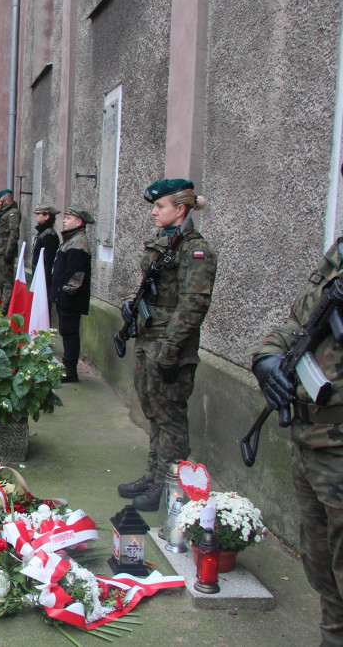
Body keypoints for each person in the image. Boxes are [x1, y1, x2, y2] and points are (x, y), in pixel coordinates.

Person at [252, 209, 343, 646]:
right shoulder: (337, 255)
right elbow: (297, 323)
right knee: (320, 564)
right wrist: (267, 358)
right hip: (310, 441)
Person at [117, 179, 217, 511]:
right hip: (149, 339)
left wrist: (171, 350)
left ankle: (168, 483)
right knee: (154, 413)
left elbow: (193, 305)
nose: (153, 212)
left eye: (160, 206)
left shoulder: (195, 250)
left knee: (171, 415)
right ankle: (152, 473)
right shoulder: (166, 243)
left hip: (170, 347)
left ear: (181, 209)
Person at [49, 206, 94, 383]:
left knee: (69, 333)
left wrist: (64, 295)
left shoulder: (78, 243)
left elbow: (76, 275)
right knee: (67, 333)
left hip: (70, 299)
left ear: (79, 222)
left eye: (69, 218)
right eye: (65, 217)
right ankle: (68, 367)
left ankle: (70, 371)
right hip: (64, 298)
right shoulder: (71, 240)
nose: (65, 220)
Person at [0, 189, 21, 311]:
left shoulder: (13, 213)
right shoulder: (1, 213)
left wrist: (9, 252)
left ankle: (5, 309)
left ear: (6, 200)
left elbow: (13, 233)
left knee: (6, 281)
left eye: (0, 200)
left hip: (3, 251)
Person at [30, 204, 60, 296]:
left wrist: (45, 279)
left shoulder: (49, 235)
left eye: (39, 214)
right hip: (38, 275)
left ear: (46, 216)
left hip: (43, 278)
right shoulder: (43, 233)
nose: (36, 216)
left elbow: (48, 259)